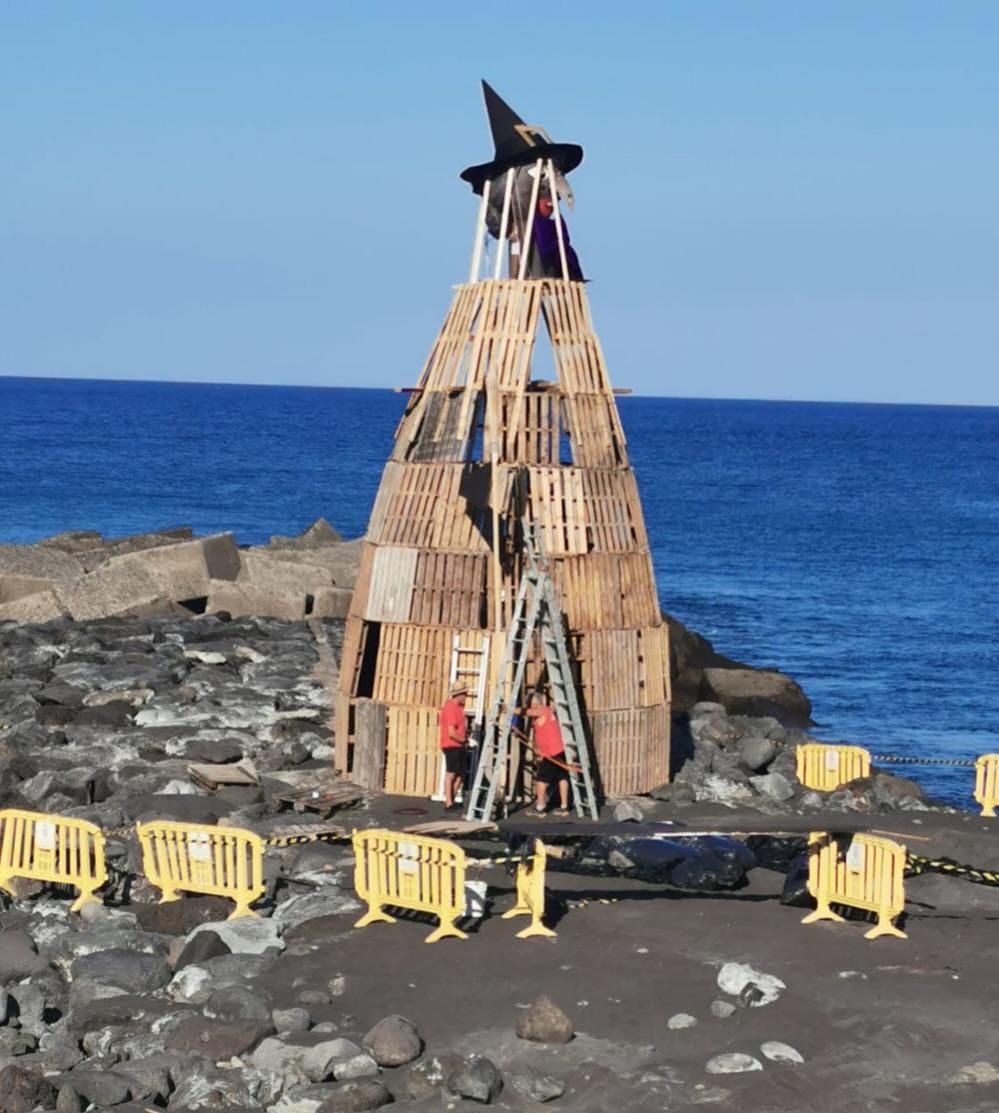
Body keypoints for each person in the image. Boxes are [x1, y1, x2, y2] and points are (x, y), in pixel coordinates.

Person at [523, 690, 570, 816]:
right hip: (559, 750)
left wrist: (511, 710)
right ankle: (564, 807)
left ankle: (540, 808)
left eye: (531, 703)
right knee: (562, 777)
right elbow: (542, 733)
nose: (530, 706)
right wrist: (539, 748)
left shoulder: (541, 711)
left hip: (552, 753)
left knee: (541, 779)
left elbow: (527, 712)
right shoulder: (548, 711)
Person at [439, 682, 468, 810]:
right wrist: (463, 740)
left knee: (462, 774)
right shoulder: (450, 708)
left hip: (459, 744)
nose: (466, 696)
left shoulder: (459, 707)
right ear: (459, 695)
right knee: (451, 773)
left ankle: (452, 797)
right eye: (464, 694)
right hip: (451, 744)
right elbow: (451, 733)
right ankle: (448, 802)